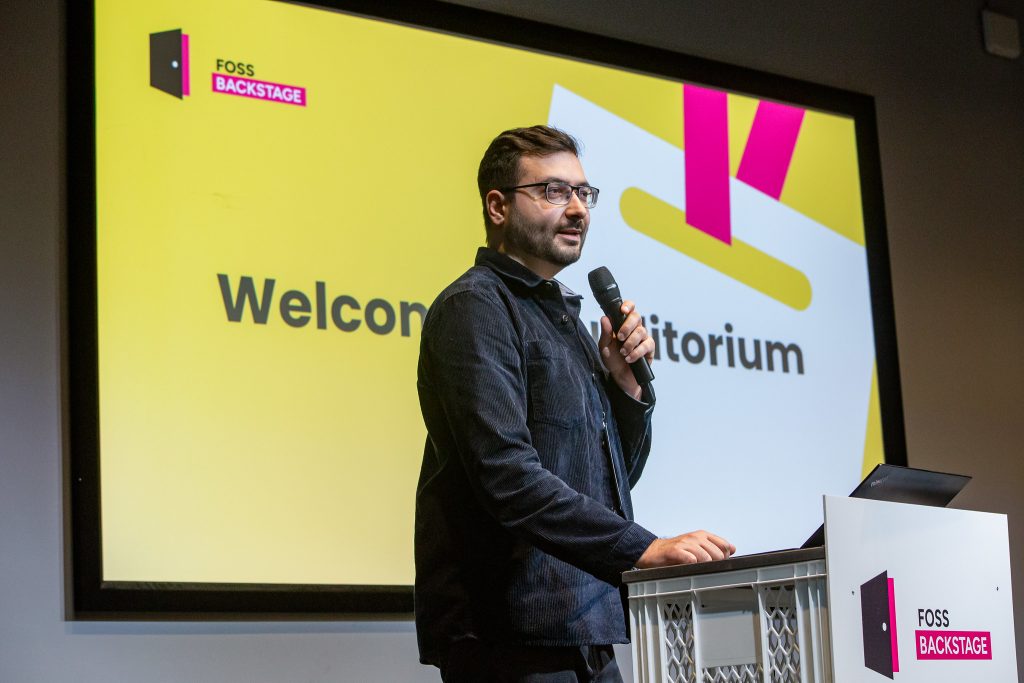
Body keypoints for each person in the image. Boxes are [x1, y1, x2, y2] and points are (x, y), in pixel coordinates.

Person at [415, 125, 735, 682]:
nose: (578, 210)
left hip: (584, 626)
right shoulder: (475, 308)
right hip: (508, 637)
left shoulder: (565, 319)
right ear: (497, 206)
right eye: (554, 191)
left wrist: (626, 392)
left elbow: (613, 481)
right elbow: (507, 479)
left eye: (584, 193)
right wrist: (644, 549)